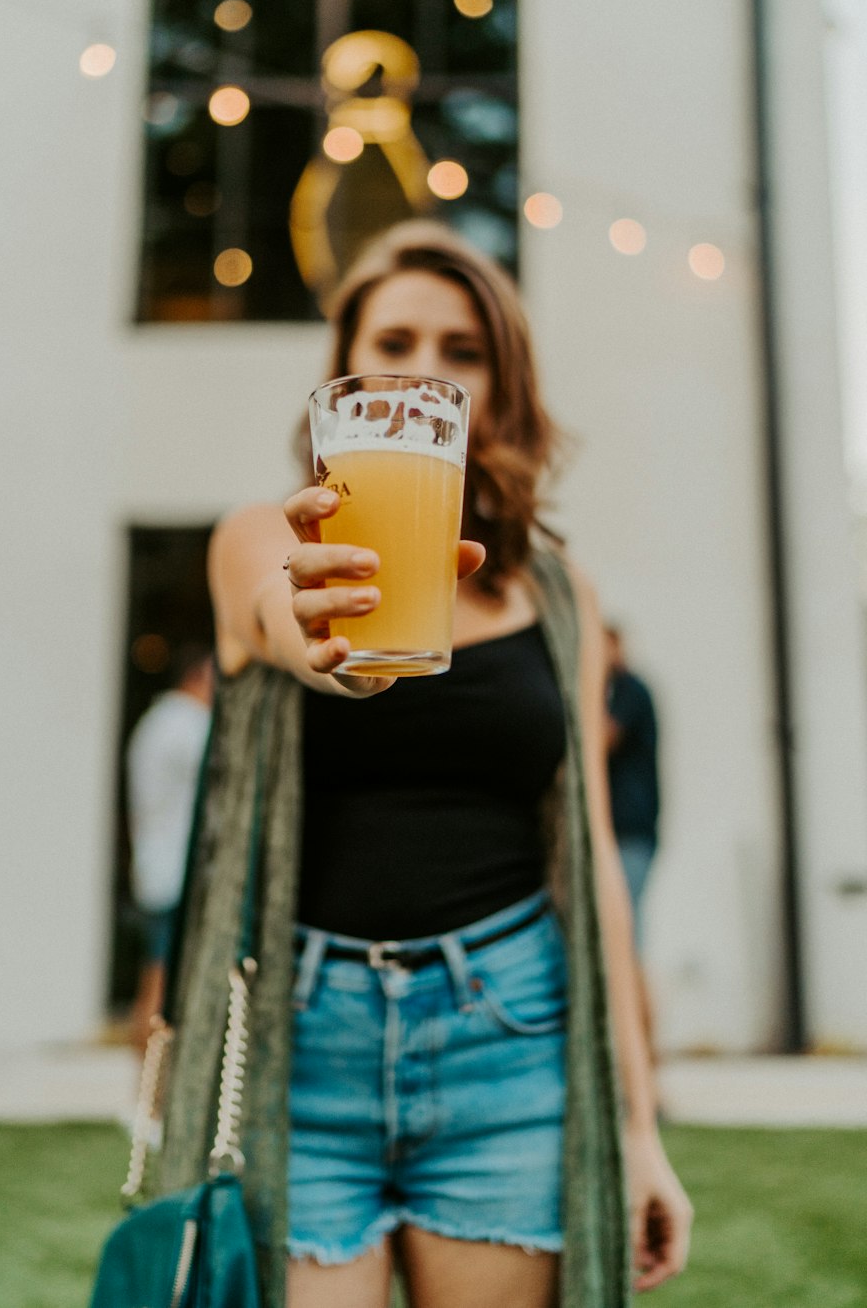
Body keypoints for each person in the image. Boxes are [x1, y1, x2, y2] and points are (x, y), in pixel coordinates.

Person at [156, 221, 692, 1308]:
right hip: (304, 1050)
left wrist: (638, 1130)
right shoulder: (265, 540)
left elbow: (589, 861)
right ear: (342, 375)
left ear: (501, 384)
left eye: (462, 350)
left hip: (509, 1037)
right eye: (393, 341)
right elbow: (283, 624)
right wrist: (337, 649)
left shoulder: (554, 596)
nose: (423, 372)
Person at [125, 644, 213, 1052]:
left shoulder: (156, 721)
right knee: (161, 984)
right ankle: (148, 1091)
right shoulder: (187, 725)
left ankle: (144, 1090)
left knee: (155, 977)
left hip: (156, 869)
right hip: (177, 873)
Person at [604, 625, 661, 951]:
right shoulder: (618, 692)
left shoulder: (629, 690)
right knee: (625, 937)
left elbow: (602, 739)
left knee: (626, 939)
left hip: (630, 832)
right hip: (624, 833)